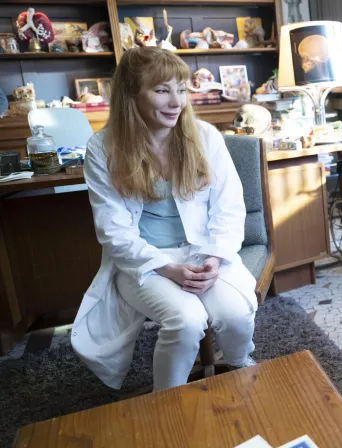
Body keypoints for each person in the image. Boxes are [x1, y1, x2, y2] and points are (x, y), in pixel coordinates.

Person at [72, 47, 257, 391]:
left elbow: (229, 208)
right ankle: (166, 402)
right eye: (161, 90)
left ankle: (239, 366)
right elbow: (114, 231)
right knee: (186, 320)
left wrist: (215, 258)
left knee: (235, 313)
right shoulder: (103, 147)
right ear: (131, 95)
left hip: (204, 252)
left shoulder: (205, 137)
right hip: (145, 262)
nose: (177, 102)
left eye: (181, 89)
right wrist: (168, 268)